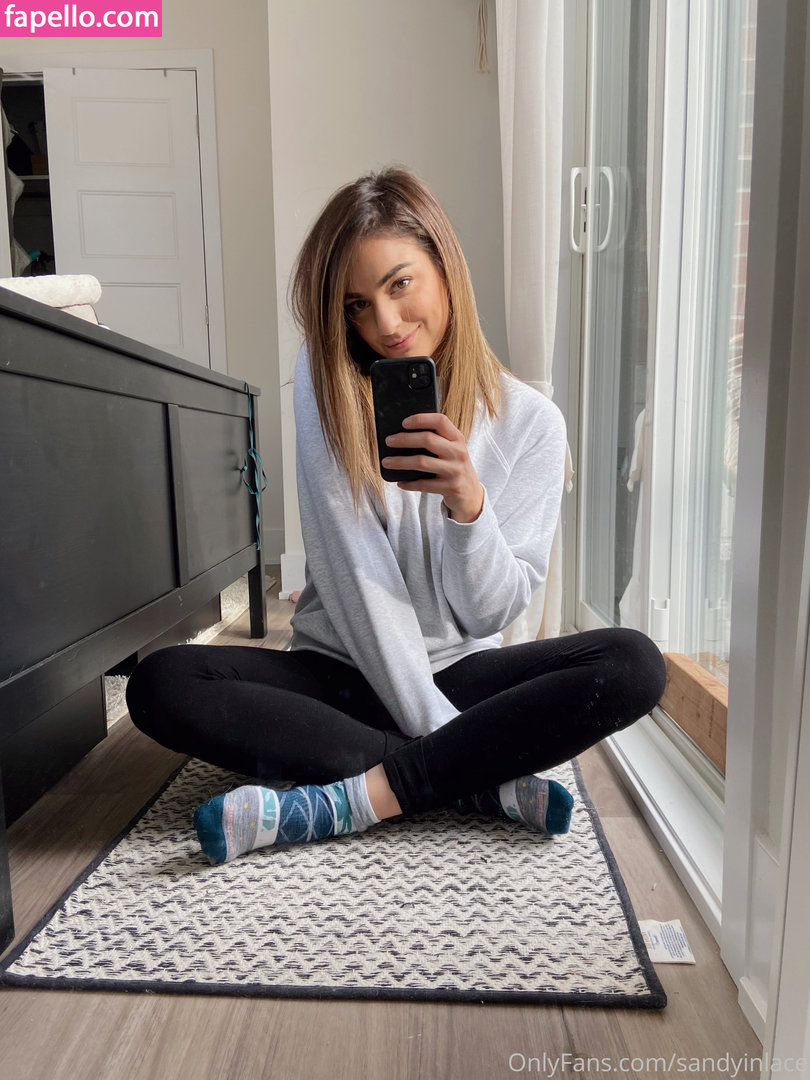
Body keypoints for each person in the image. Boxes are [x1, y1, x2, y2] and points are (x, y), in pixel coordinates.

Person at [126, 166, 666, 864]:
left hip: (457, 674)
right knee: (160, 684)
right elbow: (353, 571)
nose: (384, 324)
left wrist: (468, 508)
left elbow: (489, 614)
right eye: (357, 305)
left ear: (446, 268)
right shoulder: (322, 379)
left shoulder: (534, 425)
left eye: (400, 284)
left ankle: (354, 799)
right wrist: (445, 739)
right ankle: (470, 784)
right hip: (338, 671)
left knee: (634, 663)